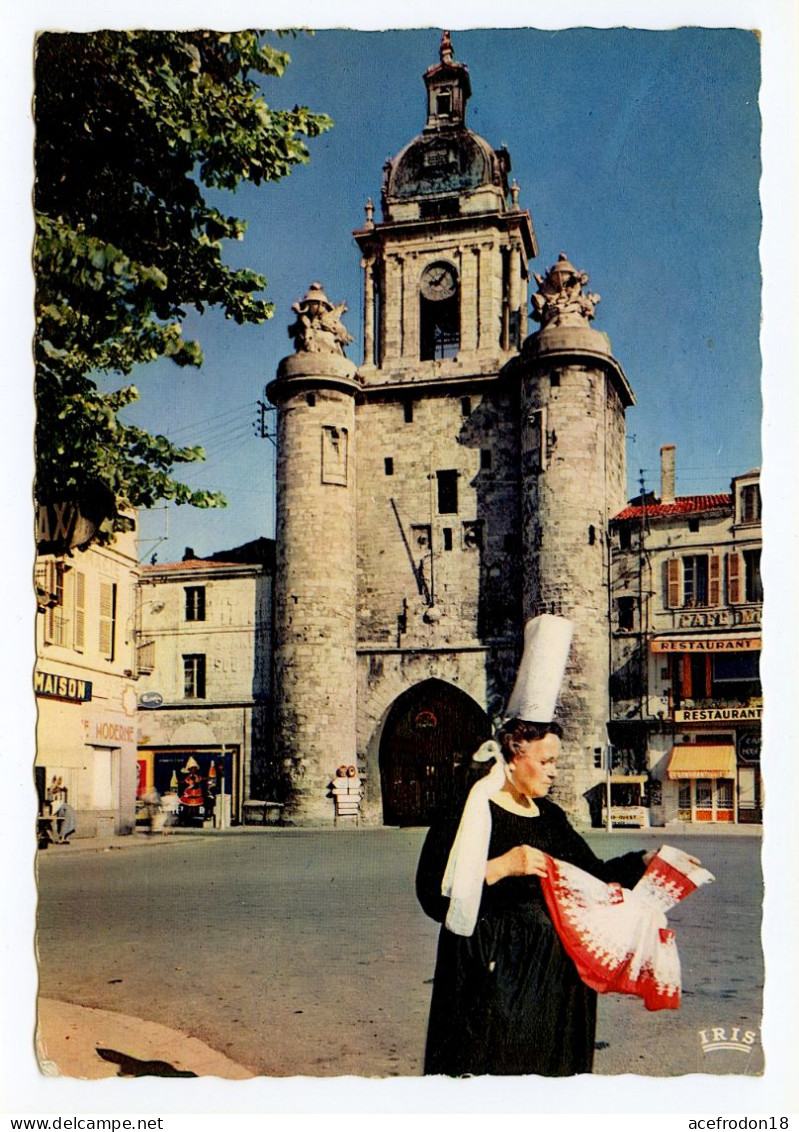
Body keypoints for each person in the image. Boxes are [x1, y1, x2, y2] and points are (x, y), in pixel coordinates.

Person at [415, 614, 653, 1077]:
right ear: (514, 756)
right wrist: (500, 867)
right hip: (489, 982)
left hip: (552, 984)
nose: (553, 771)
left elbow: (594, 874)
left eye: (556, 761)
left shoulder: (550, 817)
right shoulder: (468, 809)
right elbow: (431, 892)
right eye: (545, 761)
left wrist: (644, 862)